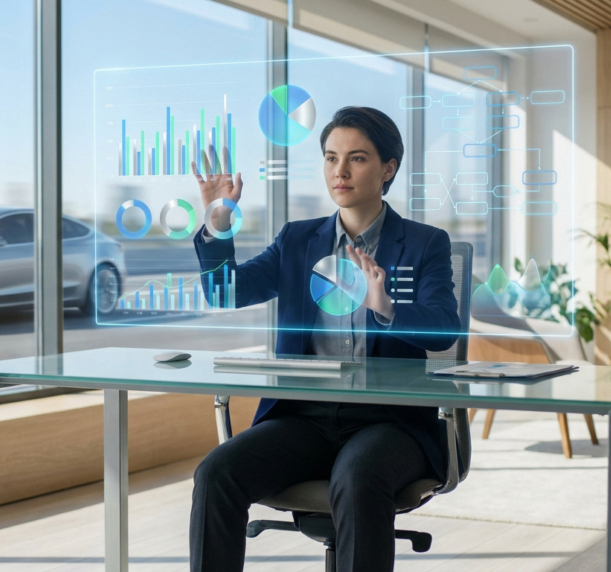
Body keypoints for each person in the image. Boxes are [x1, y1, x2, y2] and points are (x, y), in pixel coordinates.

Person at [189, 106, 460, 572]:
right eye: (332, 157)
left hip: (390, 422)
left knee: (357, 475)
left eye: (357, 158)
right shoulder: (297, 241)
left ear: (388, 168)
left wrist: (386, 307)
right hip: (304, 417)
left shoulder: (423, 244)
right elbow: (225, 291)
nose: (340, 170)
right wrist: (217, 224)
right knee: (216, 473)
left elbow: (444, 329)